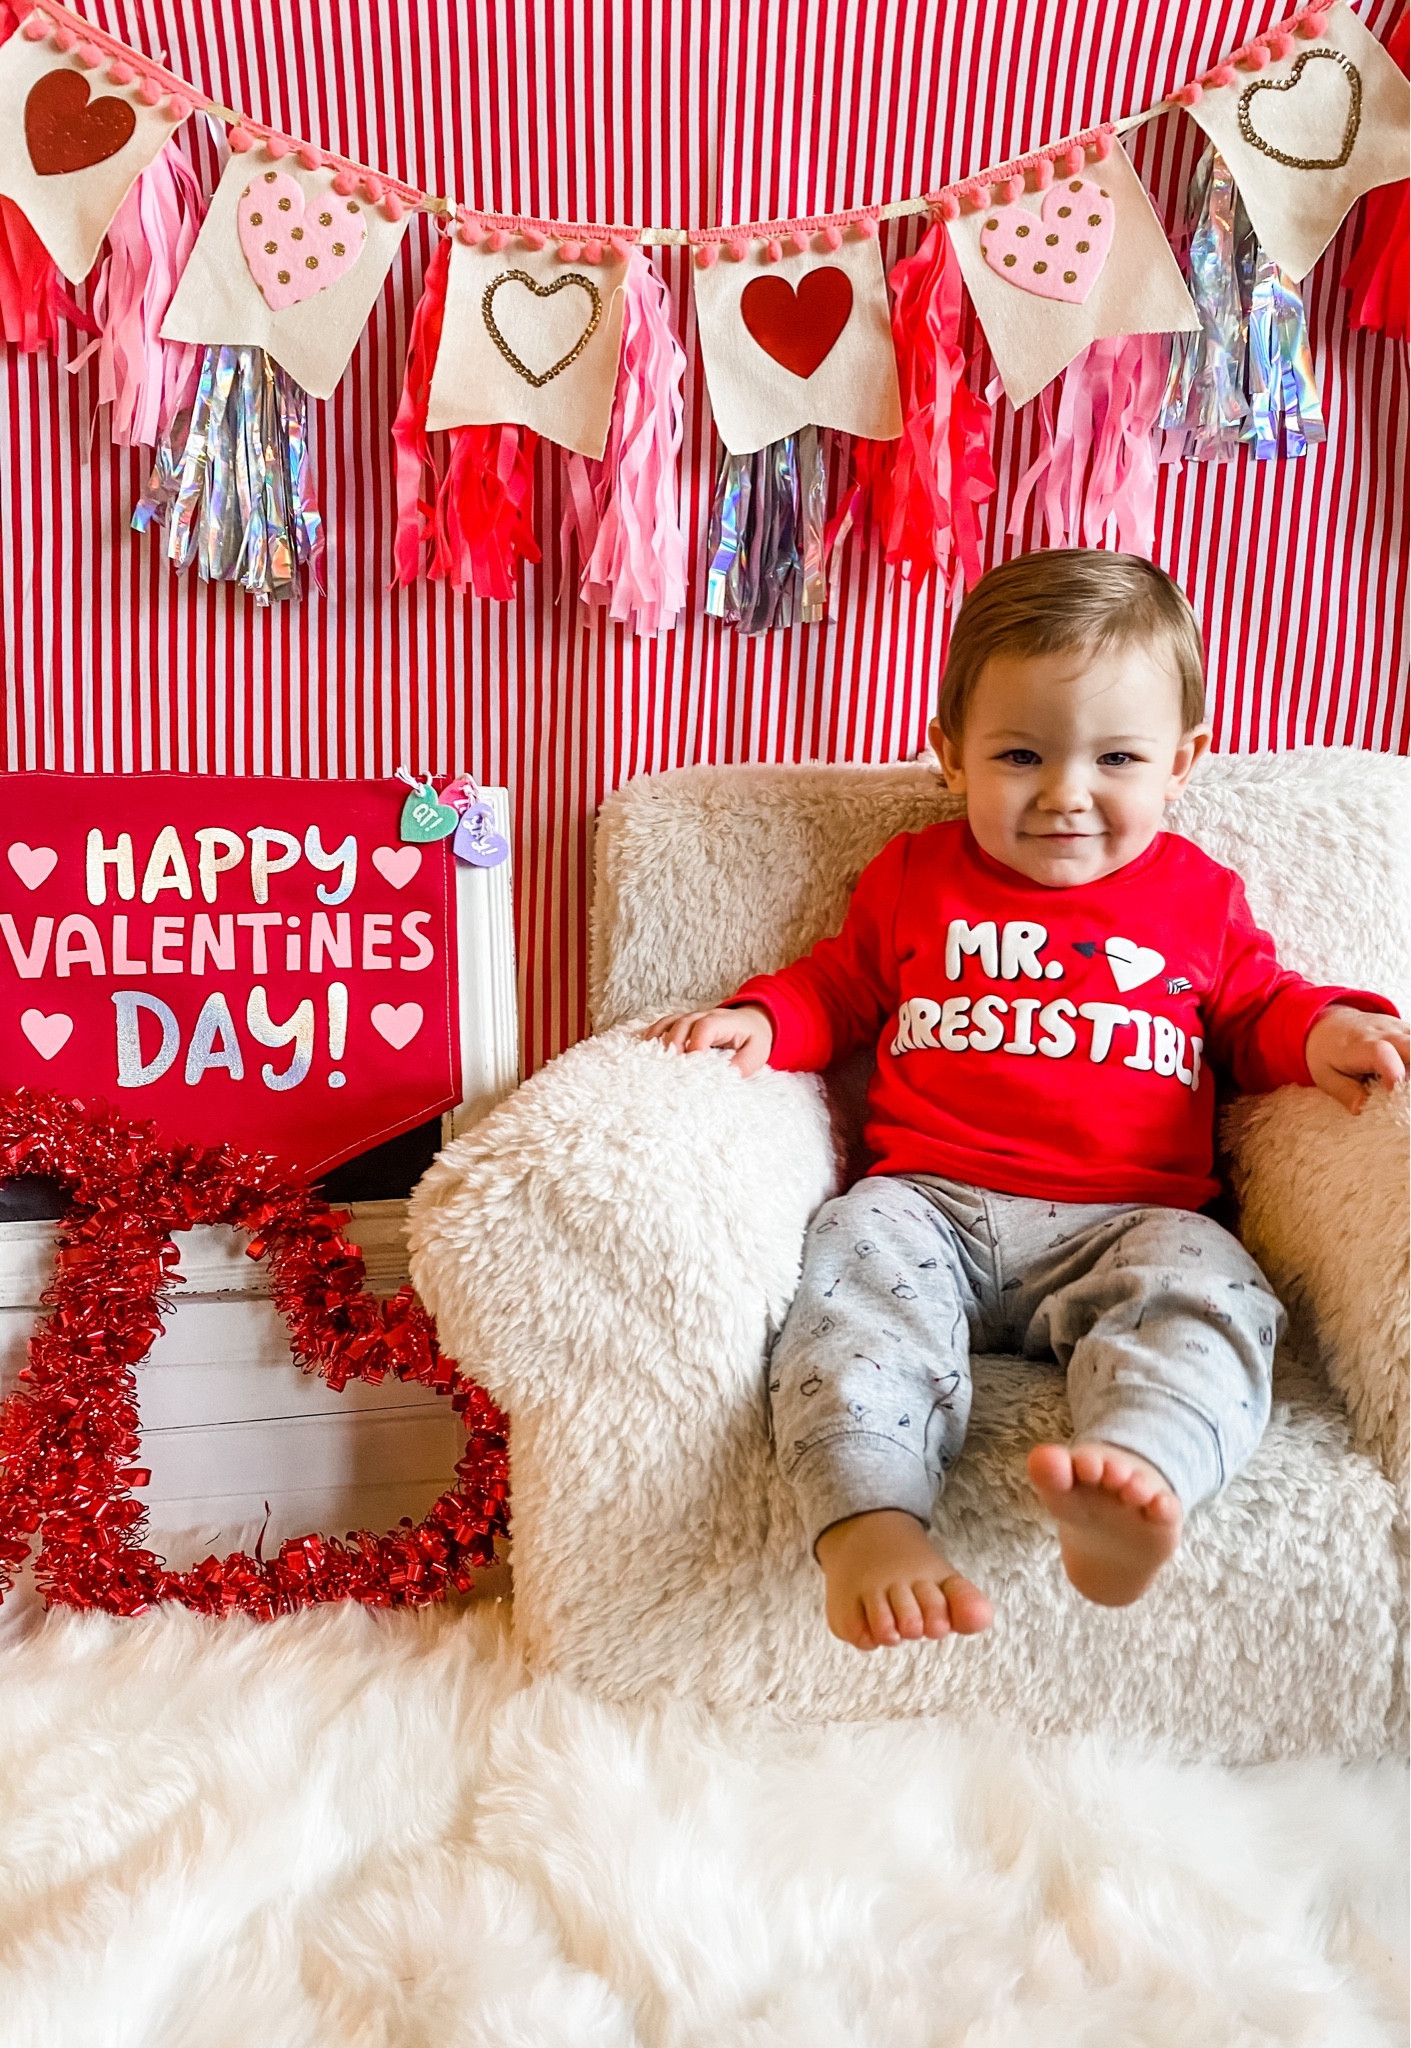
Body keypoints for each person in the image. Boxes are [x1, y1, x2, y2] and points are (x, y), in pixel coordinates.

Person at [645, 549, 1407, 1653]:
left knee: (1210, 1287)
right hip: (930, 1207)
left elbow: (1253, 1008)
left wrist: (1327, 1028)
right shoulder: (915, 875)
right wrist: (763, 1021)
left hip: (1130, 1219)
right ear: (950, 755)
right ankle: (867, 1517)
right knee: (851, 1267)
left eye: (1116, 758)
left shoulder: (1197, 896)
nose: (1064, 793)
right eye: (1019, 755)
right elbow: (841, 987)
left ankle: (1137, 1470)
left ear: (1180, 764)